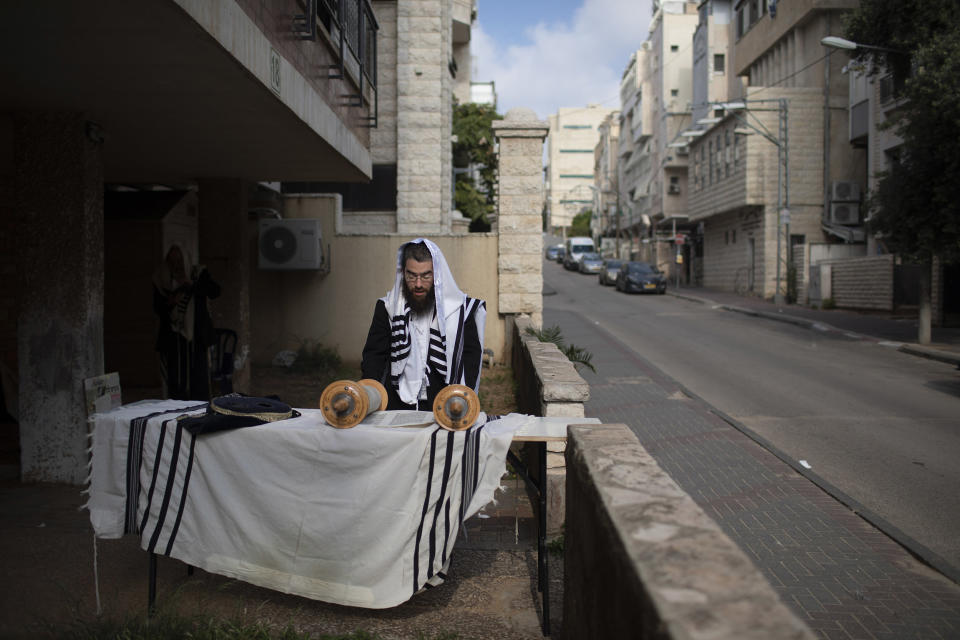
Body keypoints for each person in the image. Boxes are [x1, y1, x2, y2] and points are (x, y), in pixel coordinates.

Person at [362, 239, 486, 411]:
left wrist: (462, 400)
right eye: (411, 276)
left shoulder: (460, 310)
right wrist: (370, 397)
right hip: (397, 403)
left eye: (426, 276)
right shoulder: (388, 308)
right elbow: (373, 357)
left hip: (446, 403)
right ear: (402, 274)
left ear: (437, 275)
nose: (418, 284)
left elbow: (471, 359)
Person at [152, 244, 221, 401]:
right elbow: (157, 308)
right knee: (176, 379)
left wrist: (192, 285)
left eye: (179, 260)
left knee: (198, 377)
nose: (176, 265)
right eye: (172, 261)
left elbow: (215, 291)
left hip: (197, 336)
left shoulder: (198, 273)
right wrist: (170, 302)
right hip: (173, 338)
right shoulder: (161, 278)